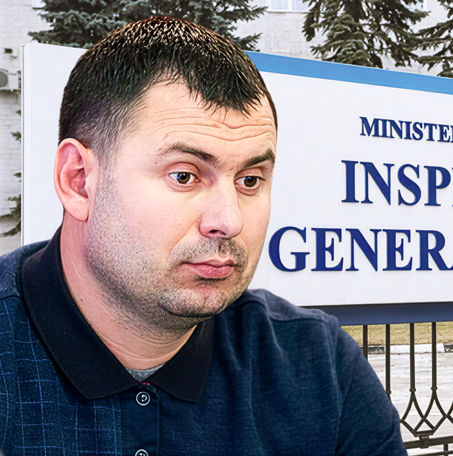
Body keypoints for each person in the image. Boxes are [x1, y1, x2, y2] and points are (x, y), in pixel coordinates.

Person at [0, 16, 406, 455]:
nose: (228, 221)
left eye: (249, 180)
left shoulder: (319, 367)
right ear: (79, 181)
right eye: (184, 175)